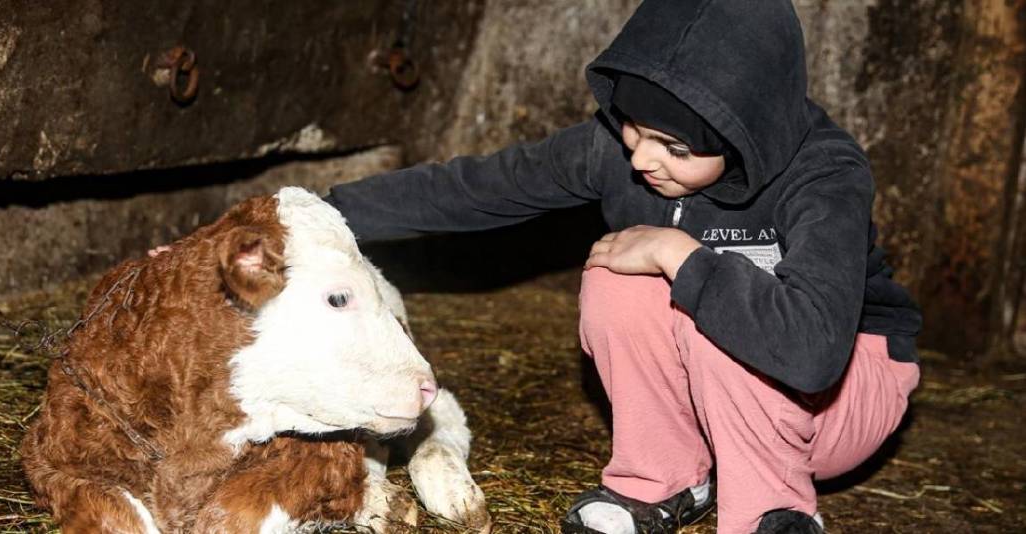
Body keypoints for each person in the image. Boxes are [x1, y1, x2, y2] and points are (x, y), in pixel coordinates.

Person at [321, 1, 922, 533]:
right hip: (710, 401)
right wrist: (322, 213)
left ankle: (772, 510)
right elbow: (481, 186)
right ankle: (663, 482)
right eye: (634, 127)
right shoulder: (617, 147)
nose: (641, 159)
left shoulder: (824, 175)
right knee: (616, 273)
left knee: (714, 296)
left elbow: (813, 352)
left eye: (676, 148)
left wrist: (677, 254)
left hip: (836, 402)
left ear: (748, 137)